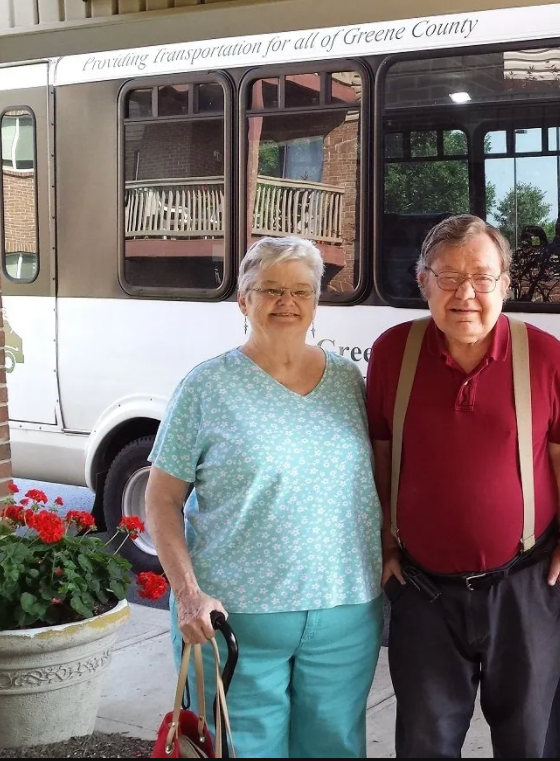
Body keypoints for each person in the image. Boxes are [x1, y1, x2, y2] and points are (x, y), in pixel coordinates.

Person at [145, 236, 383, 758]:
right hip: (235, 619)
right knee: (242, 749)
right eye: (270, 289)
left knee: (336, 748)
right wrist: (186, 592)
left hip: (344, 610)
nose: (287, 302)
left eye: (301, 290)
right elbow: (161, 500)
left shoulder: (350, 382)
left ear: (318, 301)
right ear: (243, 300)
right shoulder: (206, 387)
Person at [365, 214, 560, 758]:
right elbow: (383, 451)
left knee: (532, 745)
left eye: (483, 278)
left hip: (525, 588)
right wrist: (387, 546)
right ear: (423, 283)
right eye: (448, 277)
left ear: (506, 284)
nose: (466, 294)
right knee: (424, 744)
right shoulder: (394, 351)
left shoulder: (546, 354)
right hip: (424, 591)